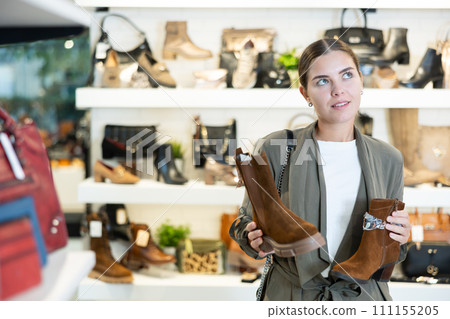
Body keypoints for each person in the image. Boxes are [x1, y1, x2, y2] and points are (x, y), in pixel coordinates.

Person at [230, 38, 411, 301]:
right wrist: (252, 238)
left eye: (347, 75)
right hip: (291, 298)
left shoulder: (388, 158)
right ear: (305, 93)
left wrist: (401, 236)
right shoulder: (277, 147)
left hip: (362, 299)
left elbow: (389, 251)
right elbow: (244, 222)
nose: (338, 90)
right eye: (323, 81)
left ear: (361, 80)